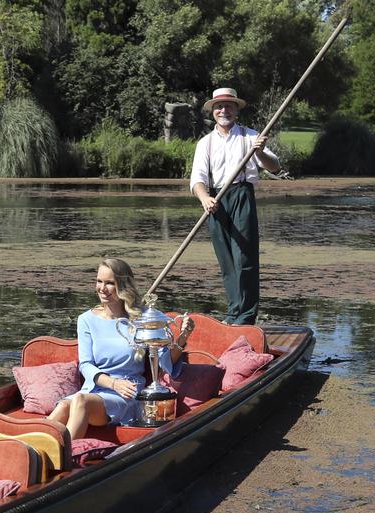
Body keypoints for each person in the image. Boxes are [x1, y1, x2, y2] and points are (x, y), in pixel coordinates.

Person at [48, 258, 194, 439]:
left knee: (80, 401)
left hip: (126, 393)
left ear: (123, 286)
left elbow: (163, 362)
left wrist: (183, 337)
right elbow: (85, 365)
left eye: (110, 283)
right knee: (64, 405)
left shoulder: (143, 317)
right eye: (99, 281)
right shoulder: (86, 319)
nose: (102, 288)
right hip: (94, 389)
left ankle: (62, 459)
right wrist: (112, 383)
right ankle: (31, 451)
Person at [189, 87, 280, 326]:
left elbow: (274, 167)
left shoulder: (250, 136)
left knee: (245, 259)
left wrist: (259, 152)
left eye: (229, 106)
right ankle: (233, 312)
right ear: (213, 112)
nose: (223, 110)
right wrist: (204, 198)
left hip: (241, 194)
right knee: (226, 260)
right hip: (216, 200)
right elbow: (197, 179)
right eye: (219, 107)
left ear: (236, 110)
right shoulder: (205, 143)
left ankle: (246, 316)